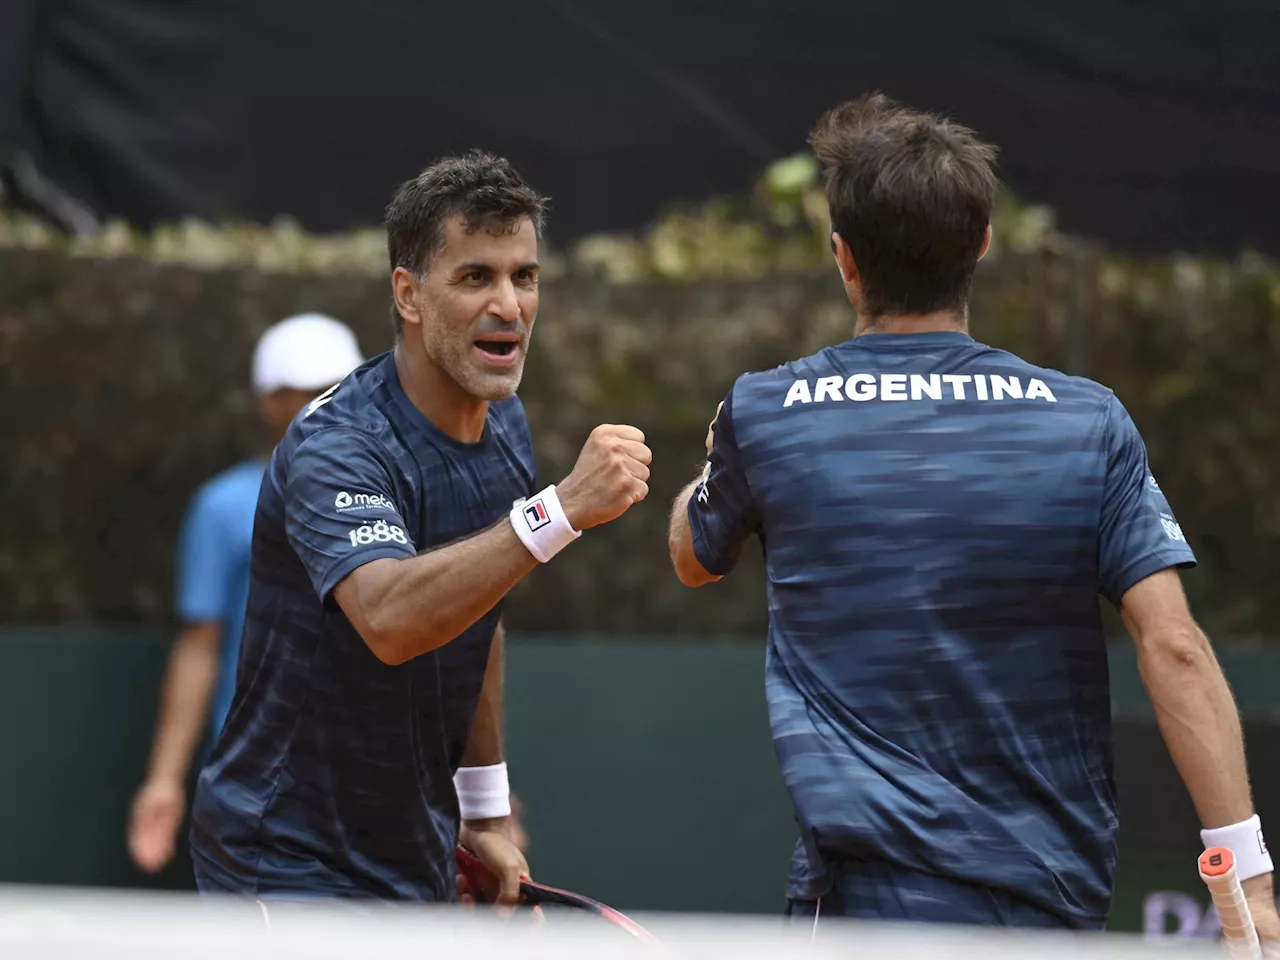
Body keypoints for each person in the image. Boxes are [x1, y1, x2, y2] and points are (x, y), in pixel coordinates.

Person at [666, 93, 1280, 939]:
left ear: (844, 258)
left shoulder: (768, 411)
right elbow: (1173, 645)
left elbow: (694, 556)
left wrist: (711, 463)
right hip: (1050, 904)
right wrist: (1246, 879)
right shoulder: (1088, 418)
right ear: (983, 245)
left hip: (864, 913)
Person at [189, 150, 651, 905]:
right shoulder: (334, 445)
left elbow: (478, 621)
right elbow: (392, 618)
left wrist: (486, 813)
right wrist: (558, 510)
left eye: (523, 276)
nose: (508, 305)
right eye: (476, 277)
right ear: (409, 294)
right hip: (283, 860)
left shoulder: (505, 425)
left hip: (414, 851)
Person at [128, 313, 365, 875]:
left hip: (373, 785)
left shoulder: (399, 496)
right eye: (301, 391)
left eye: (333, 389)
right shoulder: (221, 507)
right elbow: (199, 646)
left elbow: (437, 645)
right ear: (268, 401)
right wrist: (163, 780)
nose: (319, 405)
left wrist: (484, 797)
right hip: (257, 787)